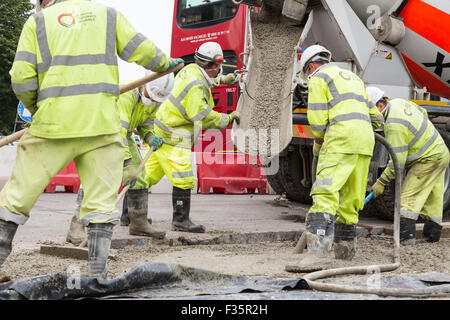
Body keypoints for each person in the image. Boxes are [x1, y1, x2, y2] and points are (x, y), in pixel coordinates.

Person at [0, 0, 183, 280]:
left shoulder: (37, 22)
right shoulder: (108, 15)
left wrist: (39, 108)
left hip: (53, 124)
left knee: (15, 198)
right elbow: (140, 48)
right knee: (101, 205)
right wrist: (166, 64)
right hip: (101, 125)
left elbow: (21, 79)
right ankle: (98, 276)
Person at [66, 72, 175, 246]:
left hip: (123, 133)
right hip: (99, 129)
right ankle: (76, 226)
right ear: (144, 85)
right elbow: (118, 133)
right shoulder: (126, 95)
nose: (154, 101)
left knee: (140, 174)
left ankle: (138, 222)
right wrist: (125, 164)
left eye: (157, 99)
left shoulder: (156, 99)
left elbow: (145, 123)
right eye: (152, 96)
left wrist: (150, 137)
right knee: (96, 176)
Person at [298, 45, 384, 261]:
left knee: (325, 192)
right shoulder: (353, 78)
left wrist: (320, 139)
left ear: (310, 67)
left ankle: (317, 253)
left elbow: (317, 121)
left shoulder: (319, 77)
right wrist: (358, 127)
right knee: (351, 199)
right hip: (364, 143)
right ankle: (345, 253)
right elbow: (377, 119)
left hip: (339, 140)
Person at [144, 41, 240, 233]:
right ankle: (180, 221)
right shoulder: (196, 86)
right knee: (184, 179)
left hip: (160, 132)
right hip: (174, 139)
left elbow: (205, 79)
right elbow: (202, 116)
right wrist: (228, 118)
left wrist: (222, 80)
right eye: (219, 66)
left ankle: (129, 216)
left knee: (145, 176)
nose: (220, 68)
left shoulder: (190, 70)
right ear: (212, 64)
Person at [367, 87, 450, 245]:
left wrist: (381, 182)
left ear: (379, 106)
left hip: (428, 159)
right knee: (433, 200)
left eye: (369, 113)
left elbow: (398, 162)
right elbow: (423, 113)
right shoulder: (398, 102)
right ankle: (431, 239)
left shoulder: (393, 126)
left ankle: (406, 242)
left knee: (407, 200)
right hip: (441, 152)